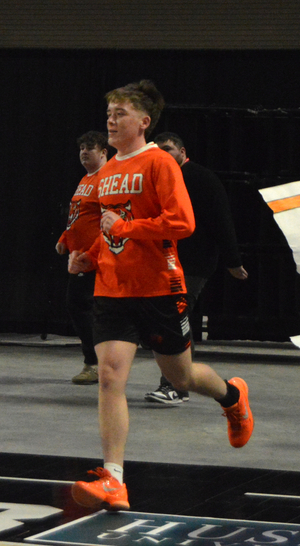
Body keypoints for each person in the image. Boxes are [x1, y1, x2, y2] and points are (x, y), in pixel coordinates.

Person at [67, 79, 253, 512]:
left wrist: (127, 229)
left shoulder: (159, 163)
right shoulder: (105, 172)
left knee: (181, 377)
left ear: (144, 122)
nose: (111, 121)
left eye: (121, 114)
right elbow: (108, 230)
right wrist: (89, 256)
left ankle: (231, 397)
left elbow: (183, 223)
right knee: (110, 377)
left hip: (159, 288)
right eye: (108, 114)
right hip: (113, 289)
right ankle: (114, 478)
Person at [145, 132, 249, 405]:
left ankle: (175, 386)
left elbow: (222, 220)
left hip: (194, 261)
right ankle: (177, 383)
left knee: (176, 315)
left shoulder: (202, 178)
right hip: (164, 262)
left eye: (168, 149)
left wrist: (232, 261)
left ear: (182, 152)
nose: (163, 155)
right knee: (169, 316)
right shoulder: (154, 178)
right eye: (158, 150)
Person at [56, 131, 110, 385]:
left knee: (82, 307)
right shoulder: (86, 178)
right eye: (81, 148)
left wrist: (91, 255)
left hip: (94, 261)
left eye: (90, 148)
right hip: (79, 259)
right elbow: (78, 215)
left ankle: (95, 363)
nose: (84, 152)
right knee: (79, 307)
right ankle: (96, 362)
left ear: (104, 152)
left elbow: (109, 224)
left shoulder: (106, 180)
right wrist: (65, 239)